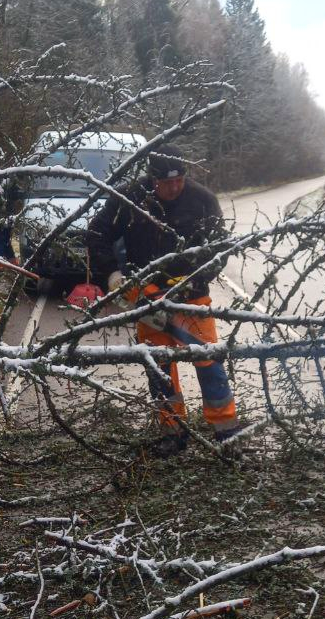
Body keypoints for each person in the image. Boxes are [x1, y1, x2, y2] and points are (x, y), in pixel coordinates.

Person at [87, 145, 239, 458]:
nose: (174, 187)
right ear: (152, 178)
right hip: (147, 295)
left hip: (191, 298)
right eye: (166, 182)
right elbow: (96, 233)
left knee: (208, 360)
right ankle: (172, 431)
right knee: (159, 367)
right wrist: (114, 276)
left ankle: (226, 432)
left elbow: (218, 250)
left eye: (179, 180)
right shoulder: (129, 198)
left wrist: (194, 280)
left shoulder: (202, 200)